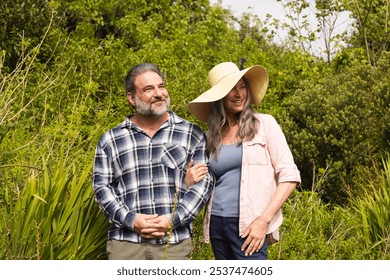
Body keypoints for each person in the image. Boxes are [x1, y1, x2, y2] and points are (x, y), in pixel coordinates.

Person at [92, 62, 213, 260]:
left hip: (174, 242)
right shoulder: (111, 140)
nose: (159, 93)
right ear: (131, 98)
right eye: (148, 89)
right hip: (126, 243)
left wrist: (171, 220)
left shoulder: (191, 134)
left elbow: (203, 185)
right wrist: (132, 220)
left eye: (161, 86)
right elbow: (102, 188)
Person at [187, 61, 301, 260]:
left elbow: (289, 176)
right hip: (217, 223)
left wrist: (263, 221)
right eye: (231, 89)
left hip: (250, 224)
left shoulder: (265, 124)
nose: (239, 94)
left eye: (242, 87)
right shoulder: (209, 137)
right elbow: (203, 182)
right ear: (219, 97)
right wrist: (188, 180)